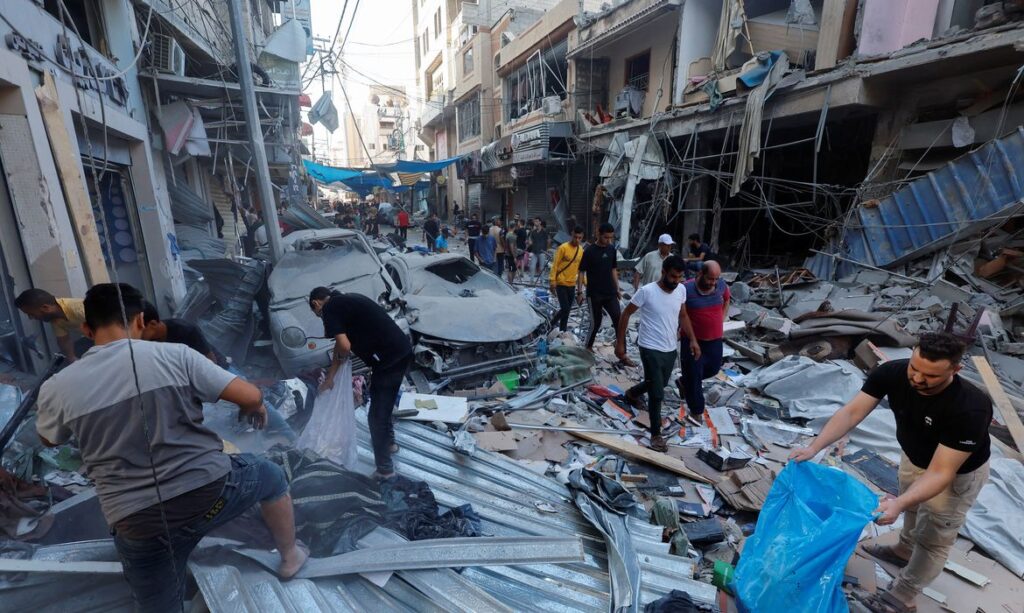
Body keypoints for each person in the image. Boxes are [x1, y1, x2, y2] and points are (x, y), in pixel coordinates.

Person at [36, 283, 307, 610]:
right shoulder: (176, 355)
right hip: (210, 497)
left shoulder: (57, 387)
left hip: (139, 525)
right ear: (139, 320)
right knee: (270, 476)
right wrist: (255, 407)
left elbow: (50, 439)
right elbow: (251, 395)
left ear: (86, 329)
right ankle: (290, 557)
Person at [790, 332, 991, 613]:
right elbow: (852, 413)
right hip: (914, 456)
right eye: (915, 368)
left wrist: (897, 503)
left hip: (955, 475)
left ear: (956, 370)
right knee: (911, 507)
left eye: (931, 376)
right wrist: (814, 447)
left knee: (934, 536)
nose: (918, 379)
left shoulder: (970, 407)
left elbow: (941, 472)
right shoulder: (892, 373)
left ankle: (903, 597)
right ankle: (903, 550)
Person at [309, 287, 412, 480]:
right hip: (402, 351)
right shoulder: (348, 300)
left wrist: (332, 374)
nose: (320, 318)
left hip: (389, 361)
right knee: (384, 401)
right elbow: (341, 347)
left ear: (316, 304)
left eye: (317, 314)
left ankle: (385, 471)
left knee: (376, 417)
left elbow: (344, 346)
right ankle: (390, 445)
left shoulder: (330, 308)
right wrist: (331, 377)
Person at [615, 256, 700, 452]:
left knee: (658, 383)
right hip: (649, 347)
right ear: (663, 272)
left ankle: (631, 393)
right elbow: (626, 313)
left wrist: (693, 340)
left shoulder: (681, 290)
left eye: (679, 277)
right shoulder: (647, 291)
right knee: (657, 393)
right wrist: (620, 344)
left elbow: (683, 315)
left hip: (670, 348)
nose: (675, 280)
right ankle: (655, 434)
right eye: (672, 276)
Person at [678, 261, 730, 425]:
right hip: (693, 341)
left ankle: (683, 382)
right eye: (710, 279)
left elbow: (727, 298)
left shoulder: (721, 285)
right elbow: (682, 314)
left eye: (716, 279)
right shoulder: (686, 289)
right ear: (700, 274)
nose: (713, 283)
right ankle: (697, 411)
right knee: (695, 378)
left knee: (713, 369)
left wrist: (721, 318)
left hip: (714, 340)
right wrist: (689, 337)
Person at [578, 223, 622, 351]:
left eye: (611, 238)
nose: (608, 241)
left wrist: (617, 288)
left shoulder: (611, 249)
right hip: (594, 294)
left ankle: (620, 347)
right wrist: (579, 292)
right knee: (596, 322)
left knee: (618, 319)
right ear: (599, 234)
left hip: (610, 293)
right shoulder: (589, 251)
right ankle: (588, 347)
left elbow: (613, 269)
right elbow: (581, 271)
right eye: (606, 238)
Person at [15, 289, 90, 361]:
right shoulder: (55, 318)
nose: (30, 318)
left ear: (45, 308)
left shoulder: (81, 309)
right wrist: (72, 359)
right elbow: (64, 340)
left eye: (31, 314)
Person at [141, 301, 219, 364]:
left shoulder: (186, 330)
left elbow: (211, 362)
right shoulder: (149, 340)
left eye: (140, 329)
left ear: (153, 324)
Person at [549, 227, 585, 332]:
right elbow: (555, 265)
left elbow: (580, 269)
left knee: (567, 311)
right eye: (575, 237)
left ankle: (562, 330)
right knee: (565, 308)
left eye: (580, 238)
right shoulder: (563, 248)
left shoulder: (581, 250)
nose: (577, 240)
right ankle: (551, 323)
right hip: (561, 283)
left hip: (572, 284)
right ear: (571, 234)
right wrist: (552, 281)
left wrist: (584, 284)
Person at [527, 219, 550, 284]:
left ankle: (542, 281)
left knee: (541, 267)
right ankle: (531, 281)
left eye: (537, 221)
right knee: (532, 266)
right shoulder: (533, 232)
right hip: (534, 252)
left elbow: (548, 240)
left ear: (540, 222)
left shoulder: (544, 231)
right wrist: (529, 242)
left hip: (542, 252)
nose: (535, 222)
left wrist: (546, 249)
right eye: (534, 221)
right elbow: (531, 241)